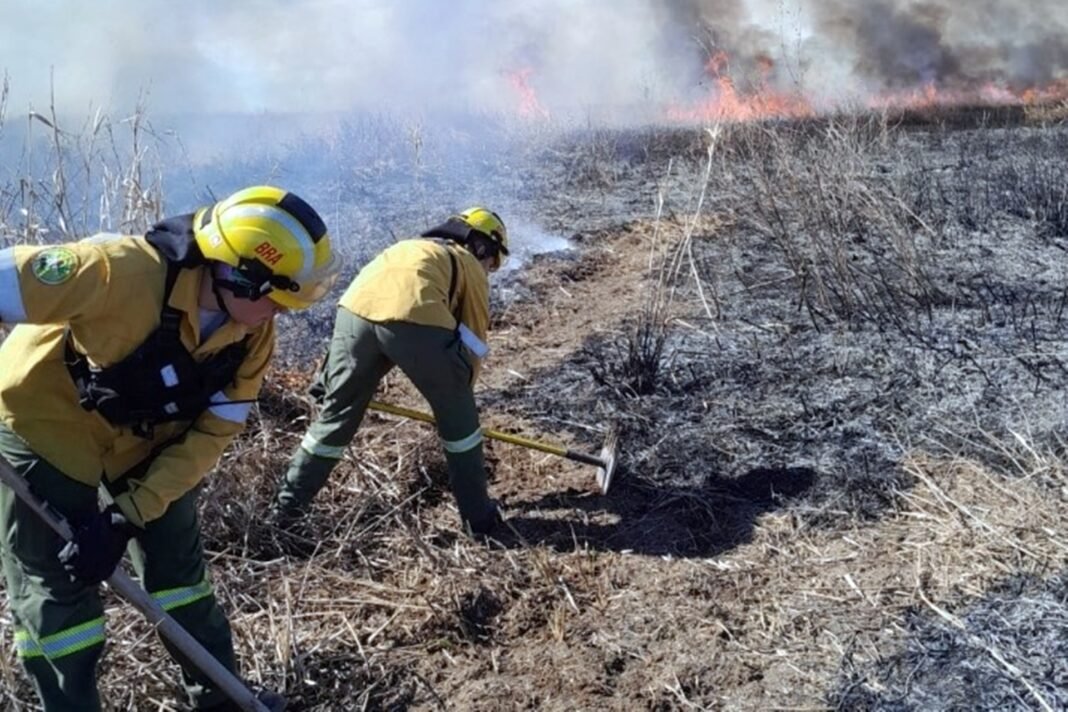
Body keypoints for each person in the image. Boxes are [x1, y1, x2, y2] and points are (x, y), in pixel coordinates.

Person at [0, 186, 340, 711]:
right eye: (275, 298)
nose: (279, 313)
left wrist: (127, 515)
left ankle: (222, 701)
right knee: (60, 595)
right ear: (237, 273)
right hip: (44, 423)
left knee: (180, 575)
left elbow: (213, 433)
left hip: (149, 438)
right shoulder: (119, 271)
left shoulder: (252, 334)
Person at [271, 207, 508, 536]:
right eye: (491, 264)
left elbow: (370, 303)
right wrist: (458, 397)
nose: (488, 271)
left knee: (333, 420)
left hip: (353, 312)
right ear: (483, 246)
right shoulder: (467, 262)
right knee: (462, 428)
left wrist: (330, 382)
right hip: (412, 317)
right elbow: (474, 338)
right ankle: (478, 518)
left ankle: (284, 513)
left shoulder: (406, 248)